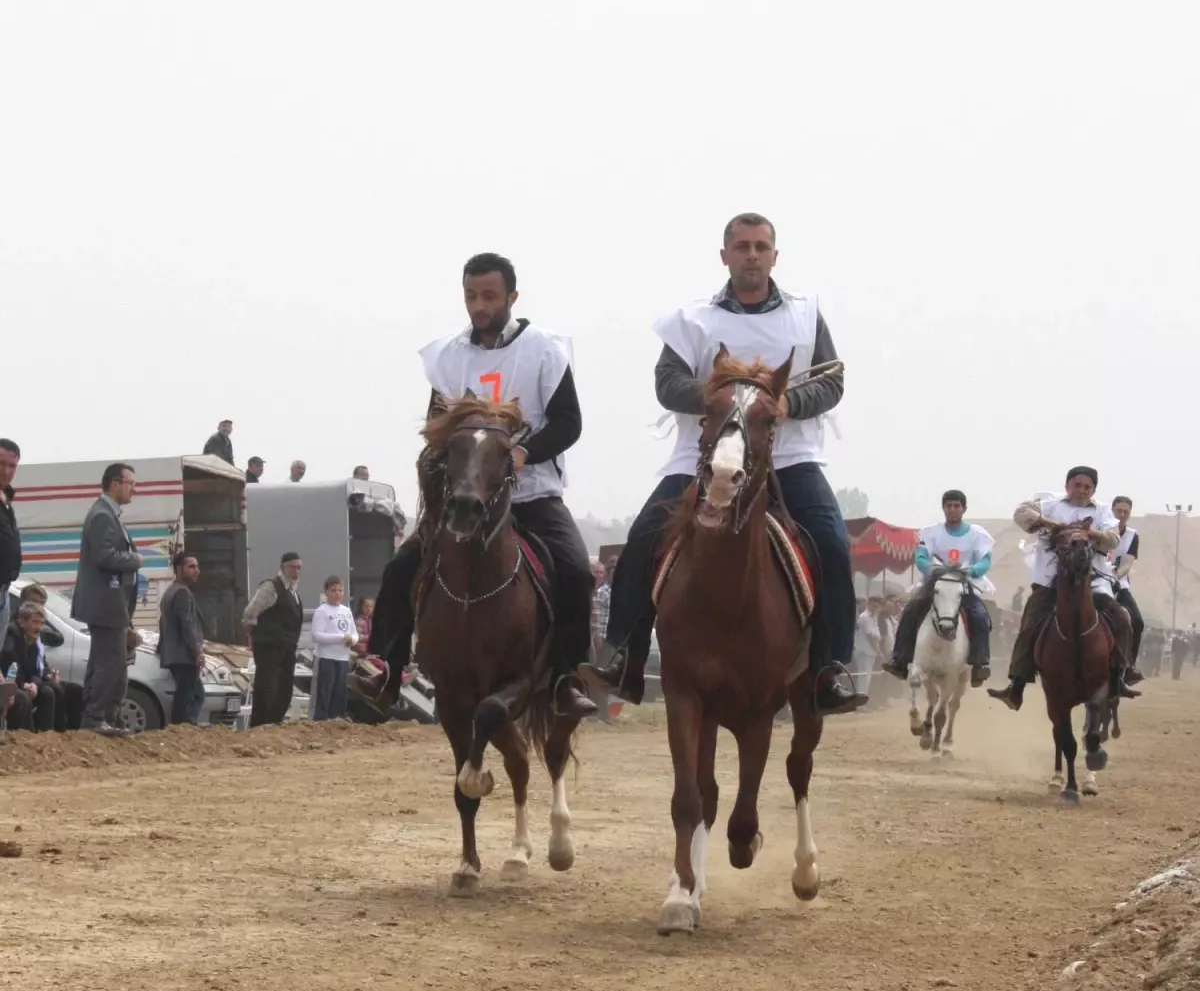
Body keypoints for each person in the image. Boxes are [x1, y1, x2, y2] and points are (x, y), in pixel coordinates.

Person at [581, 212, 859, 713]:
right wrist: (719, 396)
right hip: (701, 457)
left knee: (834, 545)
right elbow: (667, 382)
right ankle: (624, 656)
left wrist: (787, 405)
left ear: (775, 255)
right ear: (725, 255)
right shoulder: (693, 320)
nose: (752, 255)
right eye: (742, 246)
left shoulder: (805, 313)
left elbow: (832, 380)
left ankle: (829, 670)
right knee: (644, 537)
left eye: (761, 246)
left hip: (787, 456)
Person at [378, 251, 595, 717]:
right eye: (471, 296)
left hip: (531, 494)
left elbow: (568, 424)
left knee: (577, 571)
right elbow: (437, 427)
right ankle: (388, 670)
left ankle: (564, 679)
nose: (479, 306)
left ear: (512, 297)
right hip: (464, 497)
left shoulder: (544, 350)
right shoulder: (449, 358)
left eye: (489, 296)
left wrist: (522, 452)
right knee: (400, 569)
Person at [987, 467, 1136, 711]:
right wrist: (1050, 523)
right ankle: (1016, 685)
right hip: (1051, 579)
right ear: (1068, 486)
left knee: (1122, 616)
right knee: (1030, 621)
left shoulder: (1101, 511)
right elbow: (1021, 513)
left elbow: (1113, 538)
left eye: (1088, 487)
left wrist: (1090, 532)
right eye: (1077, 485)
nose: (1082, 490)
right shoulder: (1049, 503)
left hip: (1092, 579)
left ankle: (1119, 675)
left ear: (1093, 490)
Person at [883, 489, 994, 687]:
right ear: (943, 508)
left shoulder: (977, 534)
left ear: (964, 509)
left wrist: (970, 571)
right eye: (949, 506)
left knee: (979, 615)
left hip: (964, 585)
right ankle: (899, 660)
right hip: (935, 584)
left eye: (957, 506)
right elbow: (921, 557)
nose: (952, 510)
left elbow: (985, 562)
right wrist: (931, 569)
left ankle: (980, 664)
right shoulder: (930, 532)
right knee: (910, 611)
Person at [74, 463, 142, 735]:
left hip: (112, 606)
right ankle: (95, 720)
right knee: (109, 663)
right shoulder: (102, 515)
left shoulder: (109, 514)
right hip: (105, 605)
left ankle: (108, 718)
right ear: (115, 484)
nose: (134, 489)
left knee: (110, 662)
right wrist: (134, 560)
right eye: (130, 483)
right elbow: (104, 556)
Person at [244, 552, 303, 726]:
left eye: (299, 567)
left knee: (284, 690)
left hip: (287, 647)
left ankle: (274, 724)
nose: (297, 571)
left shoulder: (294, 593)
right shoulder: (271, 587)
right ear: (284, 567)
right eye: (294, 566)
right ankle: (259, 725)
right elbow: (250, 612)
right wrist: (252, 635)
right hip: (269, 646)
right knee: (267, 688)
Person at [1, 601, 73, 731]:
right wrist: (24, 684)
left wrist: (36, 682)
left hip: (27, 682)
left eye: (41, 623)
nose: (39, 627)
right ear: (22, 622)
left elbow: (36, 669)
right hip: (12, 684)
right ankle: (24, 736)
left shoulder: (32, 638)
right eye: (35, 622)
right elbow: (8, 667)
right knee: (24, 697)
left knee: (49, 691)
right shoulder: (11, 637)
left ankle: (49, 734)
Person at [158, 552, 207, 725]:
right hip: (183, 655)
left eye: (197, 567)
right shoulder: (181, 593)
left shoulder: (171, 591)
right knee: (188, 696)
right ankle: (182, 728)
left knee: (193, 694)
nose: (197, 571)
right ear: (179, 569)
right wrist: (197, 652)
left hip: (175, 653)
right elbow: (187, 626)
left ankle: (183, 728)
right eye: (191, 567)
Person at [311, 575, 358, 721]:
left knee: (340, 693)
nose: (337, 594)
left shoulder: (346, 611)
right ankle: (320, 721)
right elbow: (316, 636)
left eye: (340, 590)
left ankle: (337, 720)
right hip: (326, 658)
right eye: (333, 590)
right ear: (326, 592)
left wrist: (352, 640)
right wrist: (340, 638)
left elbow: (354, 634)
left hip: (342, 658)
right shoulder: (322, 611)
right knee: (325, 693)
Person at [1108, 496, 1144, 682]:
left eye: (1126, 511)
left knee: (1137, 622)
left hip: (1118, 583)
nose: (1122, 515)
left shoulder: (1132, 536)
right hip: (1091, 580)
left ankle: (1129, 666)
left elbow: (1127, 563)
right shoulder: (1100, 527)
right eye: (1118, 510)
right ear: (1111, 510)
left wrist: (1115, 576)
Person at [0, 439, 22, 646]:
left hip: (5, 590)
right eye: (1, 463)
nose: (6, 471)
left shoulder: (7, 498)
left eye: (12, 465)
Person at [851, 597, 882, 698]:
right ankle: (860, 704)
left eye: (877, 606)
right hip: (864, 652)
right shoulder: (864, 617)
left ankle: (863, 701)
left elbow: (876, 636)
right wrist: (878, 651)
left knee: (867, 678)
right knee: (863, 678)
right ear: (869, 604)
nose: (875, 608)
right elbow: (871, 637)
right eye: (873, 605)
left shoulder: (874, 617)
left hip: (870, 652)